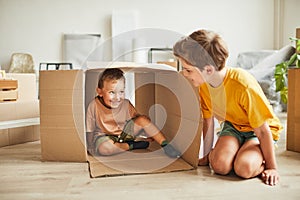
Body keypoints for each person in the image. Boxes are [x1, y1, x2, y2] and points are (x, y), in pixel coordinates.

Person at [173, 29, 282, 186]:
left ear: (208, 70)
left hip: (258, 131)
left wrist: (272, 168)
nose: (184, 74)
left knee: (243, 168)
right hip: (233, 127)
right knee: (220, 166)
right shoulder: (204, 84)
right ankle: (238, 151)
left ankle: (257, 157)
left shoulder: (243, 85)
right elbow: (208, 122)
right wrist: (205, 156)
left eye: (188, 70)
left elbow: (263, 131)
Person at [86, 68, 181, 158]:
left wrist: (147, 133)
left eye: (121, 92)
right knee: (105, 149)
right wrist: (90, 146)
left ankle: (166, 146)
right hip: (105, 137)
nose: (117, 97)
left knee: (143, 119)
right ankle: (131, 146)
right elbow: (90, 129)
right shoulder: (94, 105)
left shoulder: (126, 104)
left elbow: (138, 120)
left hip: (125, 134)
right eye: (112, 92)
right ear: (100, 92)